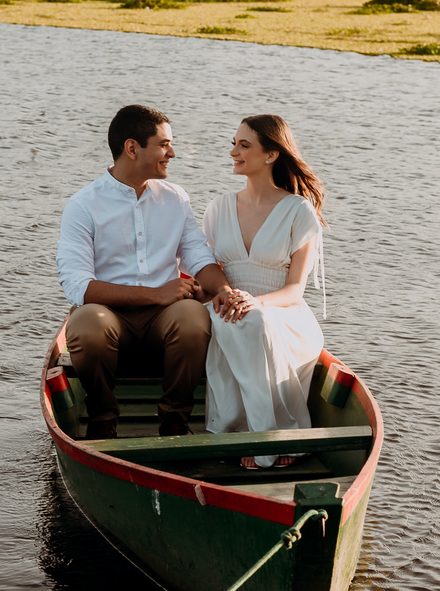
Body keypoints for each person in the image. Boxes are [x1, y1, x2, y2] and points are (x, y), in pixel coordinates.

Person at [57, 105, 233, 440]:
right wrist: (155, 294)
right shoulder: (82, 205)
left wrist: (223, 288)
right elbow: (77, 286)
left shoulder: (175, 198)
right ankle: (103, 417)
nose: (173, 153)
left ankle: (175, 420)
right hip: (107, 316)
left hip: (164, 320)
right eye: (164, 144)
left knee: (194, 317)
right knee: (87, 324)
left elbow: (198, 255)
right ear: (132, 148)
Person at [204, 115, 327, 469]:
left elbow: (295, 289)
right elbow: (208, 271)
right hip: (228, 306)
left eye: (244, 145)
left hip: (283, 313)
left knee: (254, 319)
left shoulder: (298, 210)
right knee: (235, 317)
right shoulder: (218, 208)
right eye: (234, 143)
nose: (233, 152)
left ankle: (269, 438)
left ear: (271, 155)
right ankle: (256, 434)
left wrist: (255, 301)